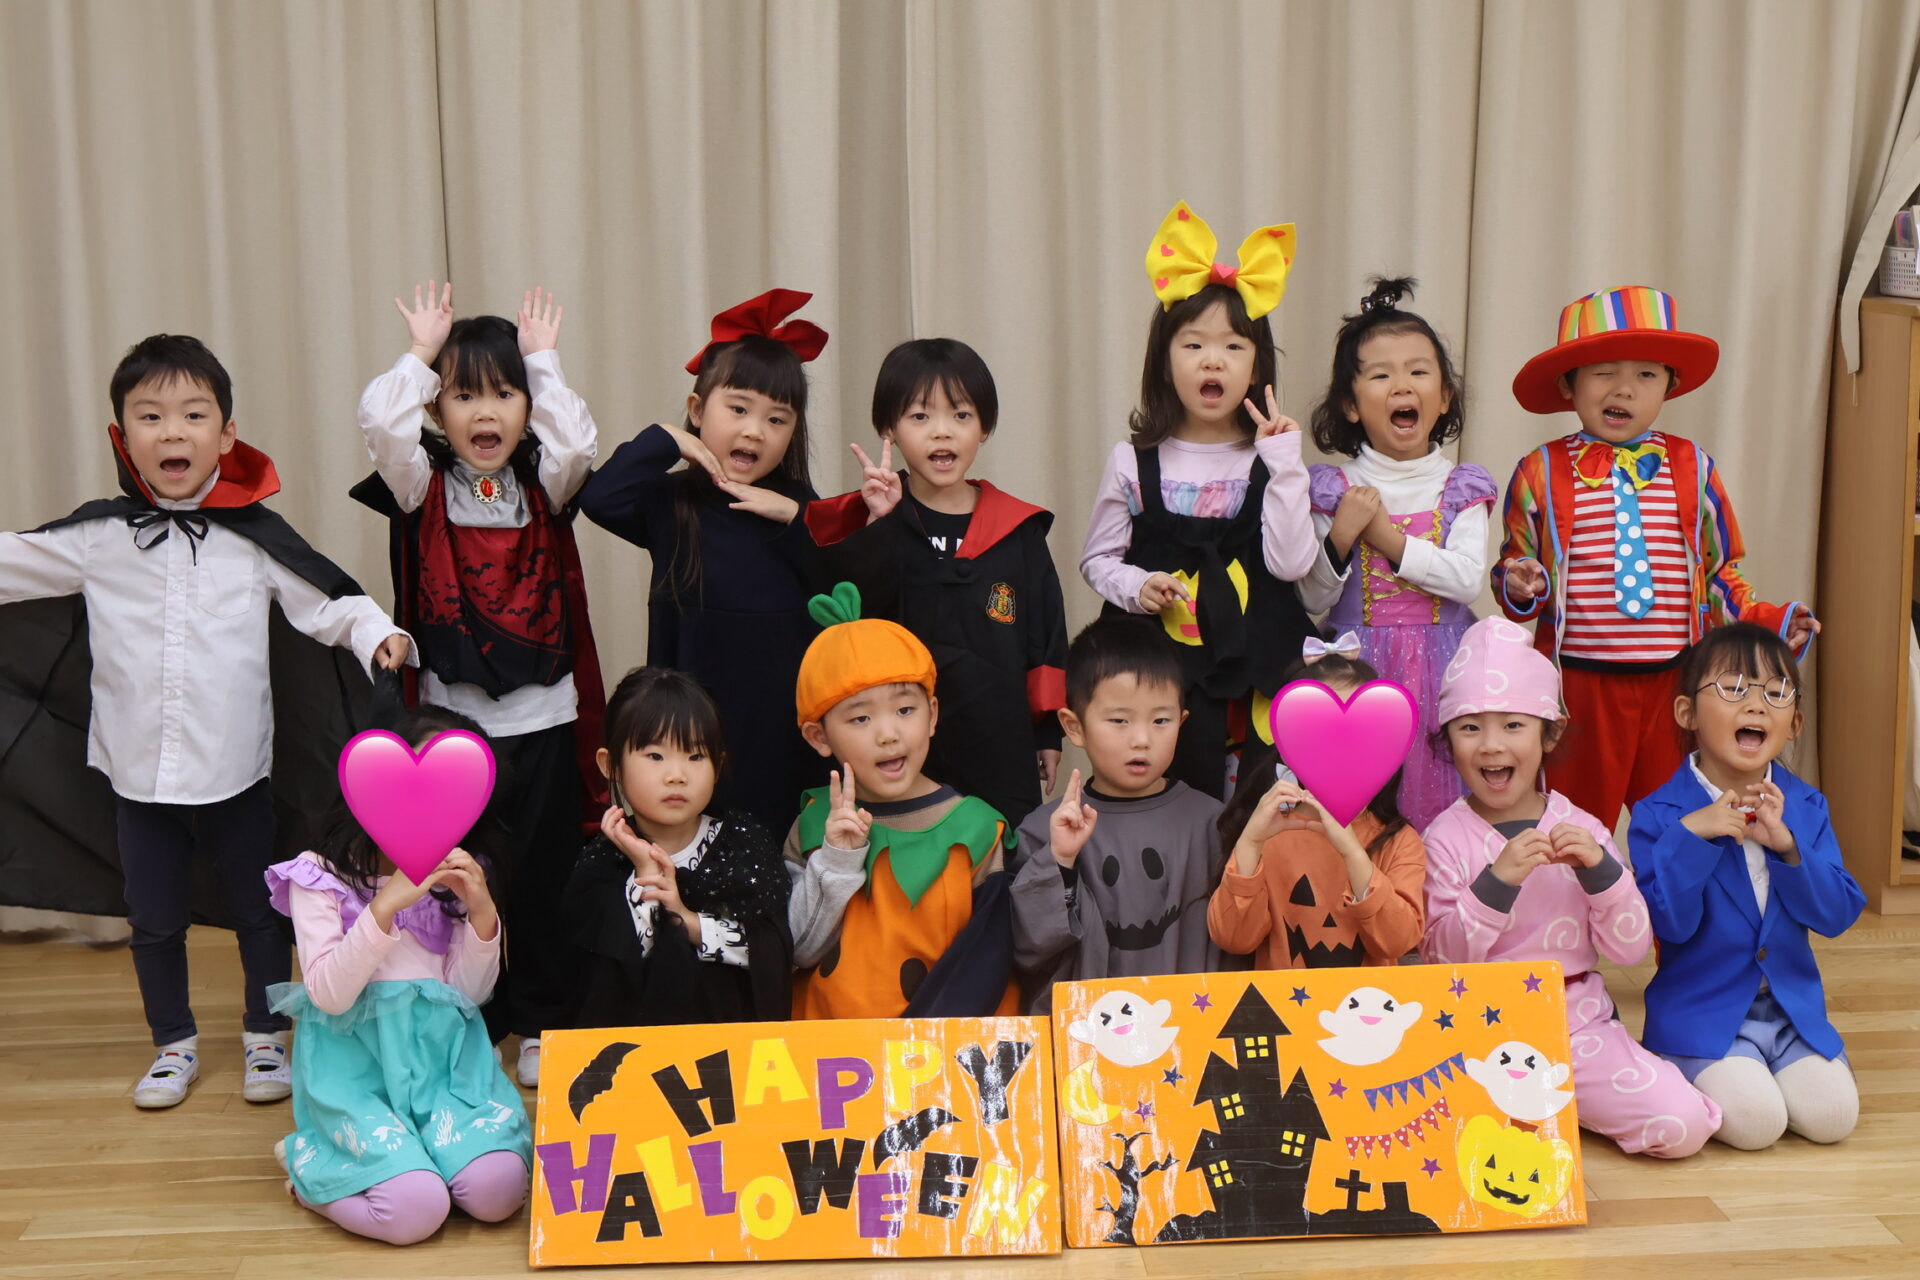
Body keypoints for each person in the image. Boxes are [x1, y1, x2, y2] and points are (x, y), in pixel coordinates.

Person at [0, 333, 409, 1109]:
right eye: (151, 416)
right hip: (136, 774)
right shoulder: (98, 538)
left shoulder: (255, 540)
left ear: (226, 434)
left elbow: (329, 602)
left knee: (258, 913)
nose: (173, 431)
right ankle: (172, 1045)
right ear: (123, 436)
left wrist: (378, 634)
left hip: (235, 771)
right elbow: (11, 561)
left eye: (193, 414)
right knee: (154, 920)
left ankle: (266, 1036)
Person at [350, 281, 604, 1087]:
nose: (485, 412)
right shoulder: (418, 485)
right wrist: (420, 354)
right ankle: (473, 1016)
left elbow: (577, 445)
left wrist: (544, 363)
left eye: (504, 394)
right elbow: (381, 424)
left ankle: (539, 1019)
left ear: (527, 407)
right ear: (437, 409)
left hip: (545, 716)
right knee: (464, 876)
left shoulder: (544, 483)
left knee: (543, 874)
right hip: (454, 726)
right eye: (464, 396)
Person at [1491, 285, 1817, 829]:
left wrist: (1771, 623)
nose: (1624, 388)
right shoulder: (1539, 470)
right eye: (1604, 372)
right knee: (1573, 829)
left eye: (1646, 374)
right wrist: (1521, 582)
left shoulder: (1694, 467)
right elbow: (1515, 568)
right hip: (1579, 690)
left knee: (1681, 824)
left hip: (1676, 688)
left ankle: (1671, 891)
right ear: (1569, 383)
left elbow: (1720, 574)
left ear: (1671, 384)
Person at [1422, 616, 1719, 1158]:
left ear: (1550, 734)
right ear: (1448, 739)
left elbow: (1630, 949)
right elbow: (1442, 960)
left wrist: (1602, 874)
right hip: (1472, 1032)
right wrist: (1497, 882)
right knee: (1425, 1131)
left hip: (1574, 1028)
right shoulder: (1443, 837)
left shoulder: (1583, 829)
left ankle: (1549, 1104)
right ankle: (1538, 1106)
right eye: (1469, 728)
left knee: (1684, 1125)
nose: (1491, 745)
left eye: (1513, 725)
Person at [265, 705, 530, 1246]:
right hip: (358, 1077)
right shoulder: (318, 875)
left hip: (444, 1072)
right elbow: (328, 995)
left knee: (499, 1192)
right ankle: (310, 1171)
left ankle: (426, 1156)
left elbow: (469, 995)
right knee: (415, 1212)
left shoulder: (460, 869)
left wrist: (482, 912)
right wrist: (384, 907)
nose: (428, 807)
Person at [1080, 201, 1316, 799]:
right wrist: (1138, 585)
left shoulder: (1272, 459)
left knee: (1249, 805)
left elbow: (1292, 565)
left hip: (1253, 669)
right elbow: (1097, 560)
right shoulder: (1131, 461)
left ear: (1256, 367)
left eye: (1234, 346)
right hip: (1163, 678)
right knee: (1169, 799)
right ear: (1164, 363)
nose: (1213, 359)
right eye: (1193, 345)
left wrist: (1286, 465)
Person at [579, 289, 828, 832]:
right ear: (698, 410)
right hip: (688, 736)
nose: (754, 430)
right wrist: (669, 440)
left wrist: (792, 515)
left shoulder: (803, 511)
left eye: (777, 419)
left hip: (778, 730)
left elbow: (843, 583)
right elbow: (598, 498)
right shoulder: (673, 503)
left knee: (775, 846)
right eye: (738, 409)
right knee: (692, 844)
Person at [805, 337, 1068, 827]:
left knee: (1005, 848)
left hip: (999, 736)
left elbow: (1045, 634)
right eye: (920, 416)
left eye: (961, 415)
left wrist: (1047, 731)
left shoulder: (1018, 530)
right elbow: (859, 631)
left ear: (984, 427)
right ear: (888, 427)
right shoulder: (877, 524)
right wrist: (880, 526)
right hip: (901, 742)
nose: (942, 432)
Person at [1630, 623, 1864, 1149]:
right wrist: (1694, 836)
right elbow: (1671, 925)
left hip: (1789, 1015)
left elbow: (1836, 915)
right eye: (1733, 688)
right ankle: (1683, 1065)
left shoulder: (1807, 807)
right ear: (1687, 713)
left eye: (1776, 693)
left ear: (1795, 722)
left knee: (1835, 1118)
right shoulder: (1659, 815)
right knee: (1758, 1124)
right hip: (1702, 1015)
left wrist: (1789, 849)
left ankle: (1767, 1064)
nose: (1756, 704)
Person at [1298, 277, 1494, 829]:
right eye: (1381, 375)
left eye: (1418, 371)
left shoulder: (1461, 485)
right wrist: (1341, 537)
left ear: (1445, 396)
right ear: (1350, 404)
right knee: (1362, 808)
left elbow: (1466, 581)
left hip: (1447, 665)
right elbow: (1311, 598)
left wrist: (1387, 540)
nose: (1401, 385)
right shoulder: (1333, 487)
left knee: (1444, 805)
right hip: (1356, 670)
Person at [785, 582, 1016, 1019]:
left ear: (933, 715)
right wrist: (835, 859)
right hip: (830, 1049)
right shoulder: (815, 824)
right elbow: (797, 949)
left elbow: (985, 965)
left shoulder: (980, 829)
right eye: (860, 717)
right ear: (819, 736)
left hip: (935, 1047)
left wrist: (915, 1044)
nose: (888, 733)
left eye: (905, 710)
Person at [1011, 617, 1234, 1011]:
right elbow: (1029, 951)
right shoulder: (1044, 831)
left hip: (1193, 1029)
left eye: (1161, 720)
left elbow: (1239, 941)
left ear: (1182, 721)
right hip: (1084, 1035)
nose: (1142, 739)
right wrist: (1059, 861)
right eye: (1119, 720)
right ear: (1074, 727)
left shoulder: (1212, 824)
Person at [564, 666, 793, 1027]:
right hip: (640, 1049)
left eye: (695, 756)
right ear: (612, 765)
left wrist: (687, 920)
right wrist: (645, 875)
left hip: (734, 1040)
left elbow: (773, 955)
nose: (677, 775)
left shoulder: (744, 842)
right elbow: (603, 982)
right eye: (655, 756)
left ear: (718, 765)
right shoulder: (601, 863)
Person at [1208, 648, 1426, 969]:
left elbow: (1398, 941)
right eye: (1323, 734)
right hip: (1284, 1002)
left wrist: (1352, 853)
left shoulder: (1399, 841)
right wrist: (1250, 843)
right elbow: (1234, 938)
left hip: (1370, 1001)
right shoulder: (1270, 836)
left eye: (1362, 735)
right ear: (1290, 744)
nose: (1343, 753)